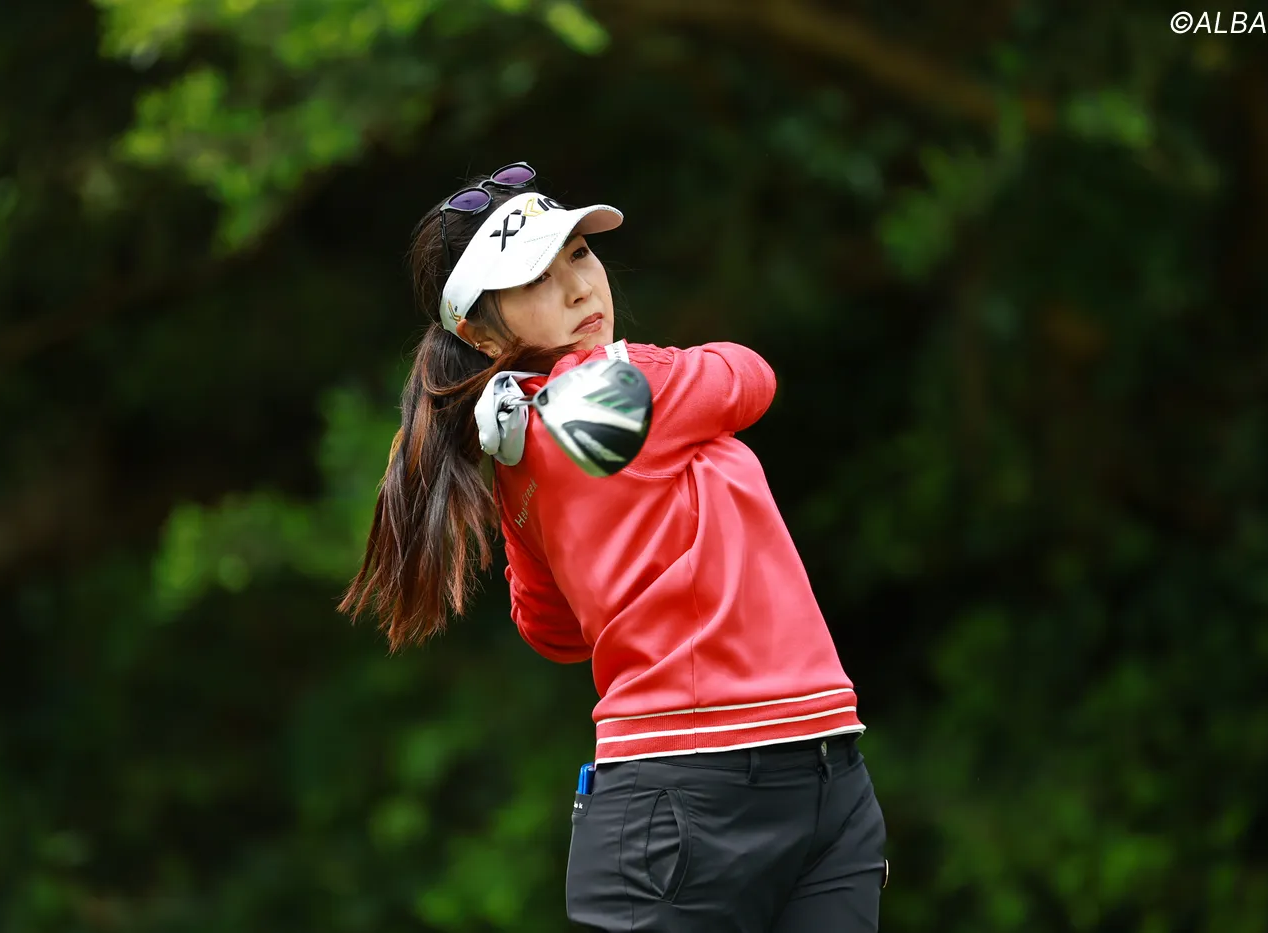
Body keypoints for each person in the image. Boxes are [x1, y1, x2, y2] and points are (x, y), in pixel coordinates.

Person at [340, 162, 888, 932]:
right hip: (698, 792)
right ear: (480, 333)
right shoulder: (619, 382)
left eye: (577, 254)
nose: (578, 287)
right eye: (535, 278)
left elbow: (554, 630)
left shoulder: (515, 449)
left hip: (814, 770)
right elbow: (750, 376)